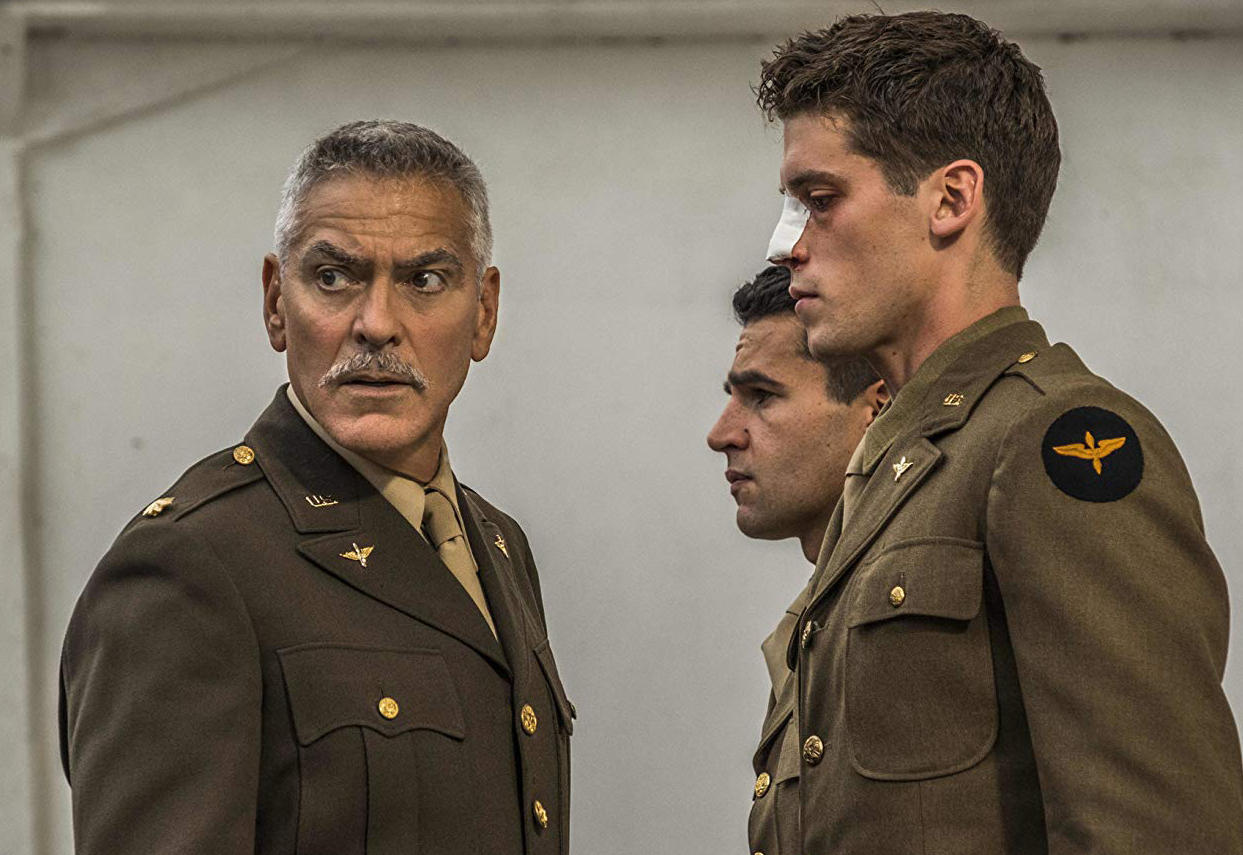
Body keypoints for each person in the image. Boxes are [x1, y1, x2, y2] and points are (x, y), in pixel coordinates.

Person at [755, 12, 1243, 854]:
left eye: (819, 201)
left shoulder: (1050, 443)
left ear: (951, 199)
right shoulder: (901, 467)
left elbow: (1157, 829)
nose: (784, 247)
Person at [58, 120, 573, 855]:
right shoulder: (191, 562)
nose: (377, 325)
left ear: (484, 314)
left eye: (425, 280)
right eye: (334, 277)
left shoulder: (497, 543)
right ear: (276, 302)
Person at [706, 264, 884, 855]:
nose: (721, 434)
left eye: (762, 396)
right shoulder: (814, 625)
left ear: (876, 407)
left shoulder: (897, 618)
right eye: (733, 398)